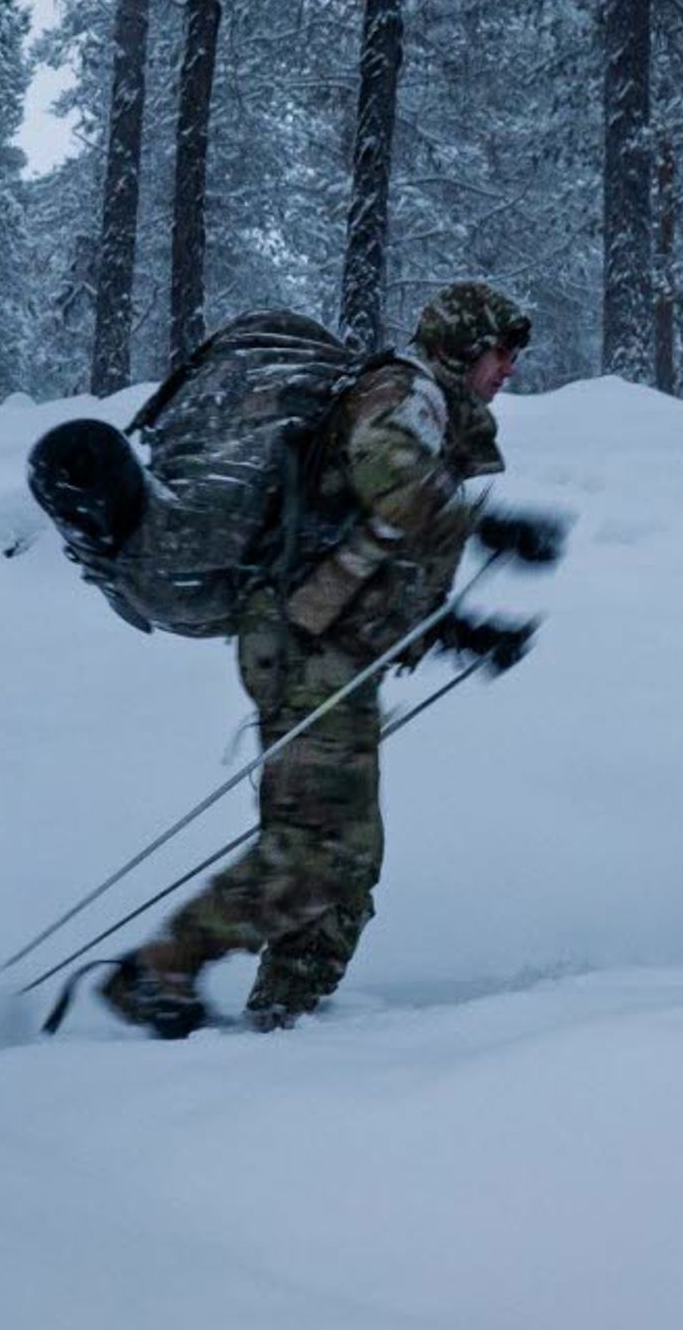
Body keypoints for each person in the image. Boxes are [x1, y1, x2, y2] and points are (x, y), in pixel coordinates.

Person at [99, 282, 554, 1037]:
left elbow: (364, 555)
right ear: (467, 348)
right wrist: (486, 524)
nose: (510, 369)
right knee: (320, 854)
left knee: (345, 861)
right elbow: (388, 476)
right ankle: (162, 970)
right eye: (502, 353)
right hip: (304, 652)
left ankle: (286, 1025)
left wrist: (458, 632)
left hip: (324, 648)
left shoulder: (418, 399)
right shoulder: (407, 393)